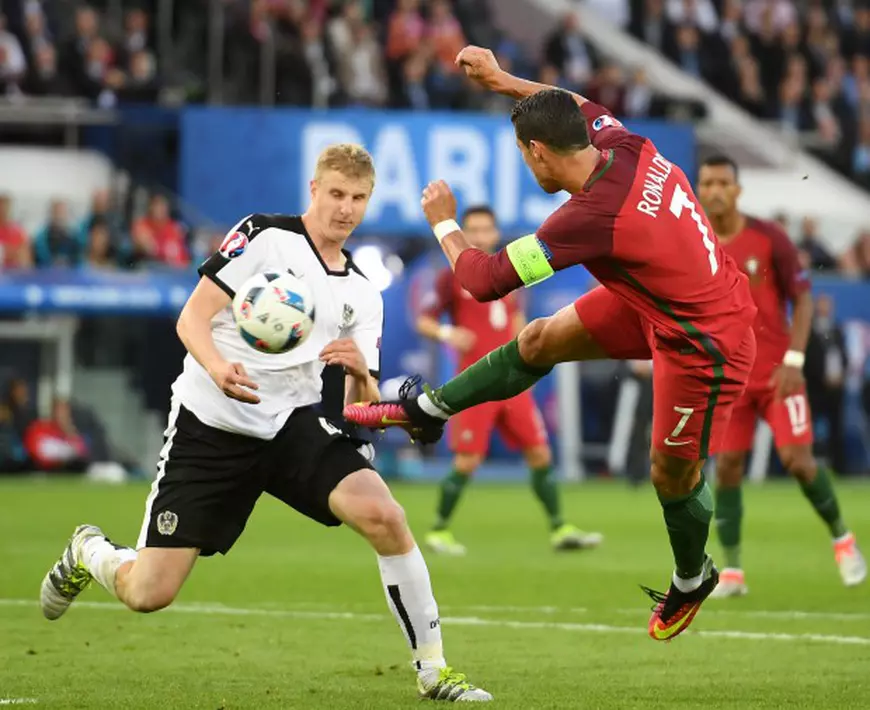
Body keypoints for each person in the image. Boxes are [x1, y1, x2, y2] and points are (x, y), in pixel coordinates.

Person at [39, 144, 490, 703]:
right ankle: (90, 550)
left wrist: (360, 373)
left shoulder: (362, 292)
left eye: (358, 198)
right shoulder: (262, 236)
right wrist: (217, 367)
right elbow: (191, 318)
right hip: (211, 424)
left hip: (291, 425)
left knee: (386, 516)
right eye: (336, 194)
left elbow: (361, 408)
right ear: (314, 190)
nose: (345, 208)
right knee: (148, 593)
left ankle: (434, 670)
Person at [345, 45, 758, 642]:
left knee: (671, 474)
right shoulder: (624, 144)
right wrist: (500, 80)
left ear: (538, 151)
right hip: (662, 298)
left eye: (522, 152)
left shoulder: (587, 217)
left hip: (705, 339)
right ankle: (427, 410)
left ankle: (692, 577)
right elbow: (574, 102)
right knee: (539, 338)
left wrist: (444, 222)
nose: (525, 162)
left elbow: (483, 280)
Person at [696, 156, 866, 596]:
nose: (715, 190)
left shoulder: (769, 237)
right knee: (727, 467)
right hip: (729, 379)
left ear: (738, 190)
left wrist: (794, 360)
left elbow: (803, 298)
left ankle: (843, 540)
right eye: (707, 183)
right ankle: (733, 572)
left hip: (778, 376)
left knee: (798, 461)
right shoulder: (694, 240)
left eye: (723, 182)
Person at [417, 204, 602, 554]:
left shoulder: (508, 272)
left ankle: (560, 528)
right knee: (467, 460)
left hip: (512, 382)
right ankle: (438, 530)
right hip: (475, 383)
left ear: (495, 233)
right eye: (472, 230)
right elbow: (424, 320)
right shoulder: (452, 276)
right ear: (463, 234)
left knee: (540, 453)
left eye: (485, 229)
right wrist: (448, 333)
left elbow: (516, 320)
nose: (480, 236)